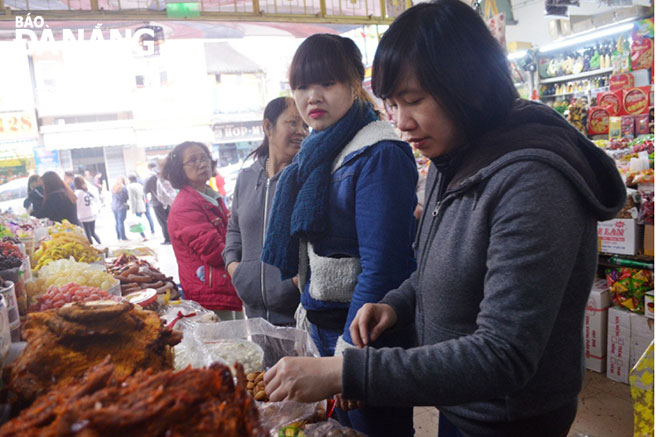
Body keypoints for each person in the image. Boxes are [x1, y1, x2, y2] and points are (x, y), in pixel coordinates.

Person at [262, 2, 628, 436]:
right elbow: (441, 261)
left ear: (467, 87)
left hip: (512, 420)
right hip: (461, 404)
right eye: (393, 105)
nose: (402, 123)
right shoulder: (450, 156)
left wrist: (347, 372)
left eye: (413, 101)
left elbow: (503, 354)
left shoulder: (532, 182)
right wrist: (395, 304)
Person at [260, 34, 418, 435]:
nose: (312, 96)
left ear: (354, 84)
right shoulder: (320, 150)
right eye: (301, 86)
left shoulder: (378, 152)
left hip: (366, 334)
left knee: (375, 429)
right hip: (324, 326)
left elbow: (384, 268)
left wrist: (349, 359)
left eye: (327, 83)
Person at [223, 97, 309, 326]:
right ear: (268, 127)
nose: (301, 131)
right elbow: (234, 228)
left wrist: (294, 281)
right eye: (293, 123)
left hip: (296, 315)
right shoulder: (246, 178)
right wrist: (234, 267)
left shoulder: (307, 177)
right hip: (253, 314)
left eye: (305, 125)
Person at [164, 141, 243, 319]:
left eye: (204, 158)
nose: (201, 163)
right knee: (225, 343)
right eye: (193, 160)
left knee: (238, 340)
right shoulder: (185, 205)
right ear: (179, 169)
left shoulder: (211, 196)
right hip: (210, 292)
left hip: (227, 283)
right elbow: (215, 252)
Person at [144, 162, 171, 244]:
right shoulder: (165, 174)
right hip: (169, 200)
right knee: (171, 220)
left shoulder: (150, 177)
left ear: (149, 167)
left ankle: (168, 239)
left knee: (162, 221)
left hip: (157, 202)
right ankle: (175, 237)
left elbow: (145, 190)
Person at [73, 176, 101, 244]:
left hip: (83, 216)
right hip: (92, 214)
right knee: (93, 233)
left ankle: (92, 248)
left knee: (88, 235)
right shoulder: (86, 191)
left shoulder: (77, 193)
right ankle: (101, 244)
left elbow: (76, 205)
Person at [126, 174, 148, 241]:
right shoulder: (139, 185)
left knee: (138, 222)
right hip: (141, 204)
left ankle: (143, 236)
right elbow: (143, 195)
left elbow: (132, 199)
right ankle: (144, 235)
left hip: (136, 206)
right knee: (140, 220)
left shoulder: (130, 186)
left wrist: (132, 210)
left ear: (129, 179)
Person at [111, 177, 129, 241]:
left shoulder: (113, 187)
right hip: (121, 206)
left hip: (114, 206)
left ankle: (118, 237)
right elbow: (126, 198)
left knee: (117, 222)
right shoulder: (123, 188)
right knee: (121, 222)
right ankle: (123, 237)